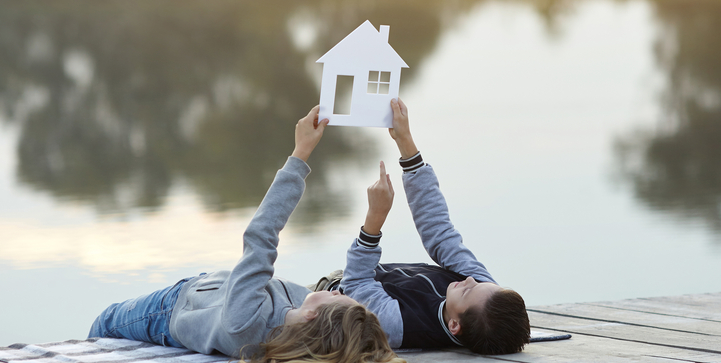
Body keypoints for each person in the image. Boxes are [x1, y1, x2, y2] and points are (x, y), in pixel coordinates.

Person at [89, 106, 403, 363]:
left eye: (339, 299)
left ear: (312, 316)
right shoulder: (300, 323)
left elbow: (261, 236)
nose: (339, 292)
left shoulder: (247, 323)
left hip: (168, 311)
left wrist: (300, 154)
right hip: (207, 293)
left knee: (103, 324)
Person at [337, 98, 531, 355]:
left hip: (328, 295)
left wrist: (375, 218)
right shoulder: (485, 296)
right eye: (478, 282)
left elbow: (356, 284)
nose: (470, 279)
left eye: (467, 290)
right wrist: (405, 142)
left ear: (454, 325)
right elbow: (440, 234)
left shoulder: (400, 326)